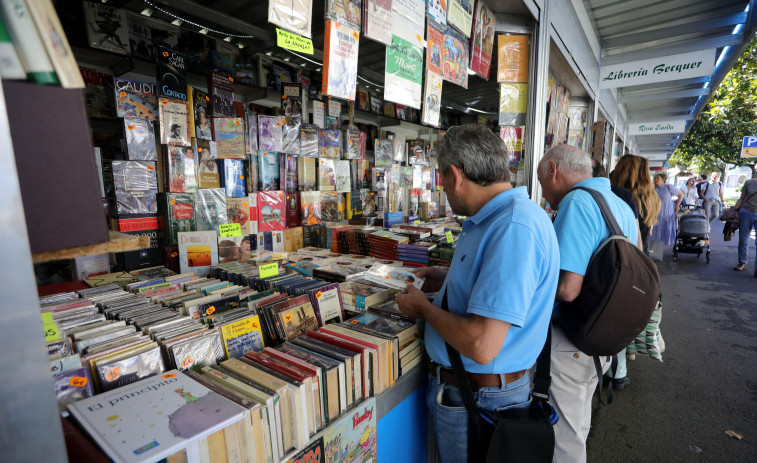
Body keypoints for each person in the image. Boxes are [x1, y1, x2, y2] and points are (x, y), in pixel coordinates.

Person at [395, 124, 560, 462]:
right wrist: (448, 277)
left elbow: (482, 345)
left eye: (442, 179)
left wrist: (423, 309)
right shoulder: (495, 218)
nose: (444, 189)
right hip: (474, 391)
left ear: (455, 175)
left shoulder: (513, 228)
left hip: (480, 396)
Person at [537, 144, 638, 463]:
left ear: (554, 171)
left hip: (573, 339)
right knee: (577, 426)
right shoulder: (618, 203)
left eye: (541, 183)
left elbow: (567, 289)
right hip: (605, 336)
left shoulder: (578, 202)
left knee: (562, 438)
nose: (544, 195)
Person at [593, 159, 641, 387]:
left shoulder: (592, 197)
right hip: (630, 262)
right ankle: (619, 371)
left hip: (610, 264)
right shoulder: (631, 196)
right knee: (619, 318)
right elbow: (639, 236)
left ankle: (610, 370)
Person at [611, 155, 661, 256]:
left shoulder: (625, 198)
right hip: (642, 256)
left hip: (622, 257)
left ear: (623, 172)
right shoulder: (651, 198)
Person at [650, 173, 684, 247]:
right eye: (655, 178)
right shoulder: (653, 188)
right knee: (655, 233)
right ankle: (655, 251)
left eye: (657, 178)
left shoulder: (669, 187)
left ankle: (660, 249)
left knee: (666, 231)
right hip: (656, 214)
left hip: (667, 213)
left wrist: (677, 205)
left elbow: (681, 194)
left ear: (663, 180)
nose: (655, 180)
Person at [733, 175, 757, 276]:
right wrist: (734, 210)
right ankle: (742, 262)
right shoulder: (749, 182)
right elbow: (742, 197)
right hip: (746, 212)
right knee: (743, 239)